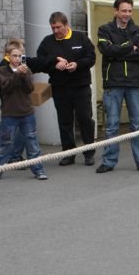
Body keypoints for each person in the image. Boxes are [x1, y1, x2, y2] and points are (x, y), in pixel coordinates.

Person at [96, 0, 139, 173]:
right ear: (116, 11)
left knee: (137, 124)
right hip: (113, 83)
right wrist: (130, 46)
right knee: (112, 124)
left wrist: (119, 50)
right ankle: (108, 161)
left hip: (135, 83)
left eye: (129, 11)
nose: (127, 14)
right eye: (123, 11)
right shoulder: (104, 29)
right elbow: (106, 50)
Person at [35, 11, 96, 167]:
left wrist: (77, 64)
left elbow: (91, 57)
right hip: (60, 87)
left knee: (85, 119)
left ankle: (89, 153)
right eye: (53, 28)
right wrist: (54, 63)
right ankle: (68, 153)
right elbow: (39, 62)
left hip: (81, 87)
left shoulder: (80, 38)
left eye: (58, 27)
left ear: (66, 25)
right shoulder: (47, 42)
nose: (55, 31)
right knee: (65, 121)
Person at [0, 39, 48, 181]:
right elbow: (6, 87)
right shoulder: (3, 70)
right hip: (9, 113)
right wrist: (16, 74)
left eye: (19, 56)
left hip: (27, 112)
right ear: (7, 55)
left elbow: (29, 89)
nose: (17, 59)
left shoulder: (26, 69)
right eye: (14, 56)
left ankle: (38, 170)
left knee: (32, 143)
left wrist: (24, 75)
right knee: (5, 143)